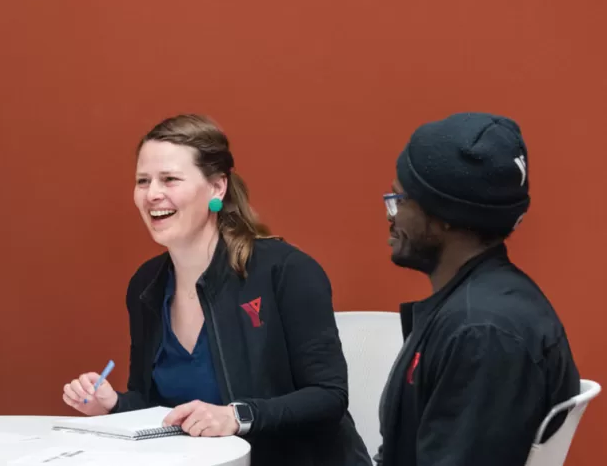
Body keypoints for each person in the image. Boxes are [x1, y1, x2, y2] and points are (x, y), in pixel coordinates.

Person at [61, 114, 371, 466]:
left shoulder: (286, 270)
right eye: (142, 181)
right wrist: (114, 404)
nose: (152, 194)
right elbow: (157, 409)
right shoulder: (146, 285)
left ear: (217, 188)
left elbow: (328, 396)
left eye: (170, 179)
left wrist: (237, 417)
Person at [376, 113, 580, 466]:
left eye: (400, 198)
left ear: (445, 216)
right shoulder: (476, 310)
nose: (390, 215)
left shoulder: (483, 334)